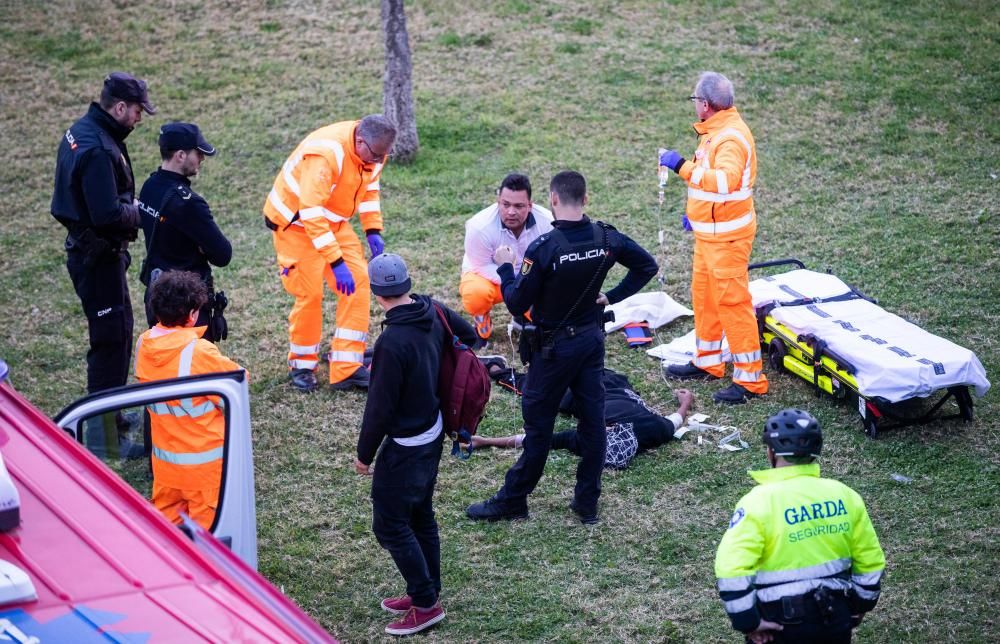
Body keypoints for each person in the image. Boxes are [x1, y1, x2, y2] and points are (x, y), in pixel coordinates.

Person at [466, 170, 658, 525]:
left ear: (552, 200)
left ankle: (514, 499)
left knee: (539, 428)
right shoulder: (607, 237)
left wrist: (507, 269)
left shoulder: (545, 248)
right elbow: (647, 265)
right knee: (592, 422)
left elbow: (516, 299)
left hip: (552, 349)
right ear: (585, 199)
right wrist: (611, 296)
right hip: (590, 342)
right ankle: (587, 503)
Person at [355, 253, 477, 636]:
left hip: (406, 444)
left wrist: (364, 454)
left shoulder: (392, 342)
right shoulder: (432, 309)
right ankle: (426, 587)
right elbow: (469, 336)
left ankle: (426, 603)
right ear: (408, 283)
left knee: (390, 524)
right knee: (420, 514)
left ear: (377, 294)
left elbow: (379, 408)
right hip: (434, 431)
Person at [714, 409, 885, 643]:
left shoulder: (758, 502)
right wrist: (861, 604)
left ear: (770, 451)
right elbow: (870, 560)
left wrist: (748, 620)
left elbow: (731, 569)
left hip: (779, 624)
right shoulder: (845, 496)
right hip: (834, 617)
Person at [263, 114, 397, 392]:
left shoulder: (374, 151)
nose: (378, 162)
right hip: (295, 226)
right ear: (360, 141)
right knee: (310, 295)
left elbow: (369, 188)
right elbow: (310, 213)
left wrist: (373, 230)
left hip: (332, 222)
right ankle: (301, 364)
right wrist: (335, 261)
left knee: (359, 282)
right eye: (375, 156)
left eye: (383, 156)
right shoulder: (326, 155)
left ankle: (346, 367)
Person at [659, 71, 768, 404]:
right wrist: (696, 216)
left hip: (728, 240)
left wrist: (680, 166)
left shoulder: (730, 138)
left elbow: (725, 182)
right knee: (704, 296)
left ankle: (750, 380)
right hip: (711, 236)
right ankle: (708, 361)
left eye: (695, 101)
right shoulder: (716, 131)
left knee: (733, 304)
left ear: (705, 104)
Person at [51, 72, 155, 394]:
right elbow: (107, 214)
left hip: (95, 255)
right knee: (111, 342)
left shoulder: (81, 131)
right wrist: (143, 212)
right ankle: (102, 435)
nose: (139, 119)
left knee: (119, 332)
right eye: (138, 111)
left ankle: (112, 419)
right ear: (120, 108)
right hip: (97, 261)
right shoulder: (97, 148)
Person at [135, 270, 247, 531]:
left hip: (165, 472)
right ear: (193, 314)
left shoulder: (143, 344)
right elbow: (238, 383)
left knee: (167, 540)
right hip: (205, 474)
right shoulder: (199, 351)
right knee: (210, 548)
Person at [138, 122, 232, 341]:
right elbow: (223, 254)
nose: (202, 158)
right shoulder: (189, 204)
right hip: (188, 308)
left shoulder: (149, 187)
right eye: (197, 153)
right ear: (180, 155)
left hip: (158, 298)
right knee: (193, 368)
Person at [472, 385, 694, 469]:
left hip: (587, 394)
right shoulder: (655, 428)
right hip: (610, 384)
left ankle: (496, 368)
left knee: (537, 387)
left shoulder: (585, 438)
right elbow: (676, 419)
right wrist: (686, 401)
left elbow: (535, 440)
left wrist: (486, 441)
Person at [460, 173, 553, 341]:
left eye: (518, 206)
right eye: (506, 204)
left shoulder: (547, 222)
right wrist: (516, 283)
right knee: (475, 293)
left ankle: (525, 315)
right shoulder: (479, 226)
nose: (511, 212)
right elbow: (480, 266)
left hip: (528, 278)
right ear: (498, 202)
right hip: (490, 275)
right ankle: (482, 317)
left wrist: (528, 284)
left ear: (530, 205)